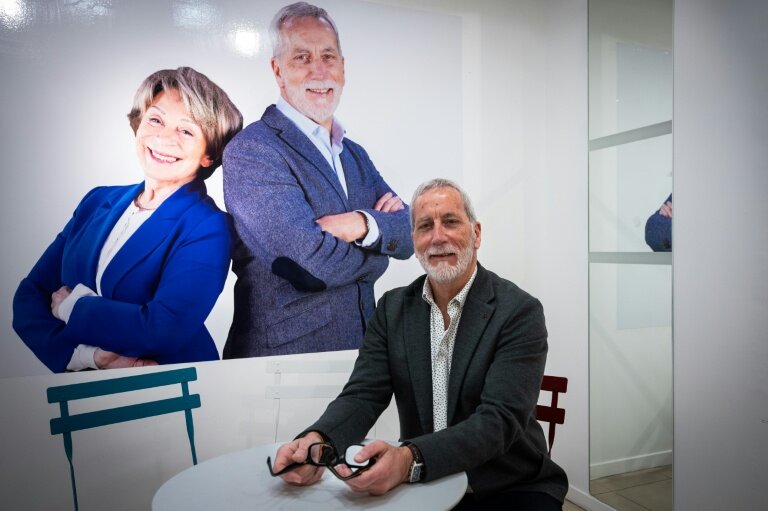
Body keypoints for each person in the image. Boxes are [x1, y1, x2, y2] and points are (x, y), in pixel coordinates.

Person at [270, 179, 568, 510]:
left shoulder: (518, 311)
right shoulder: (392, 309)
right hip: (429, 482)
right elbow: (364, 394)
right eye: (425, 226)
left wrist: (409, 459)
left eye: (451, 221)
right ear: (414, 241)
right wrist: (319, 441)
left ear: (476, 233)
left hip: (508, 485)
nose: (438, 236)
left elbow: (499, 419)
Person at [12, 67, 243, 373]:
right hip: (82, 392)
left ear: (208, 155)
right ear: (139, 124)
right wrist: (88, 357)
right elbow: (30, 295)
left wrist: (72, 306)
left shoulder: (208, 227)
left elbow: (163, 329)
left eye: (186, 131)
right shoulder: (97, 201)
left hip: (170, 392)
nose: (164, 138)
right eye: (156, 120)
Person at [222, 2, 413, 358]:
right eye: (302, 58)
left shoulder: (353, 153)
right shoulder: (252, 151)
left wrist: (359, 223)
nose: (319, 70)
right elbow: (308, 267)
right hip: (283, 367)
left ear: (343, 67)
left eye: (328, 56)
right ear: (278, 71)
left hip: (360, 358)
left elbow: (411, 230)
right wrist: (378, 254)